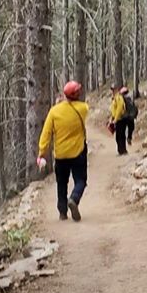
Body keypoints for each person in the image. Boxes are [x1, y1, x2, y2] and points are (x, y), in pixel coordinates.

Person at [37, 80, 88, 221]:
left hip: (60, 155)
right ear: (77, 94)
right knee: (81, 180)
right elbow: (77, 107)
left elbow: (46, 133)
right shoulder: (83, 109)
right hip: (78, 153)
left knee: (61, 183)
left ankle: (62, 212)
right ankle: (74, 198)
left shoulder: (54, 111)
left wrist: (42, 152)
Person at [109, 86, 128, 156]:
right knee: (121, 135)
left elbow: (119, 109)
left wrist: (116, 119)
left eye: (114, 89)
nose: (112, 91)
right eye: (112, 90)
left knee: (119, 136)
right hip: (118, 119)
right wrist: (112, 118)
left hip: (120, 119)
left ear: (117, 90)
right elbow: (114, 109)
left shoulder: (118, 98)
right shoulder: (115, 98)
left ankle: (122, 151)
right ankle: (122, 150)